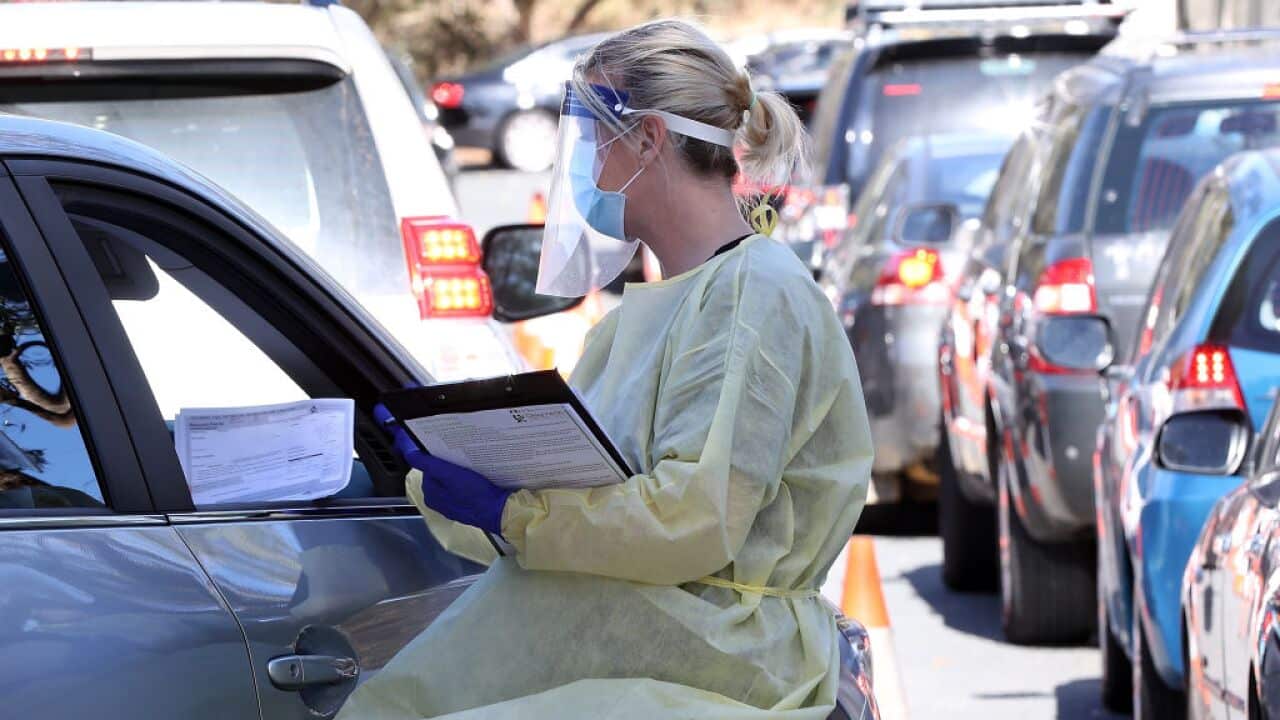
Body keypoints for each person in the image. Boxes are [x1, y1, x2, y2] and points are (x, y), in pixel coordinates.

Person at [340, 18, 873, 720]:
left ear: (648, 138)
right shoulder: (654, 312)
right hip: (651, 649)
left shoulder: (753, 296)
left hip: (719, 670)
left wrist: (510, 512)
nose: (585, 165)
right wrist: (454, 473)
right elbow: (587, 484)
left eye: (593, 135)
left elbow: (693, 518)